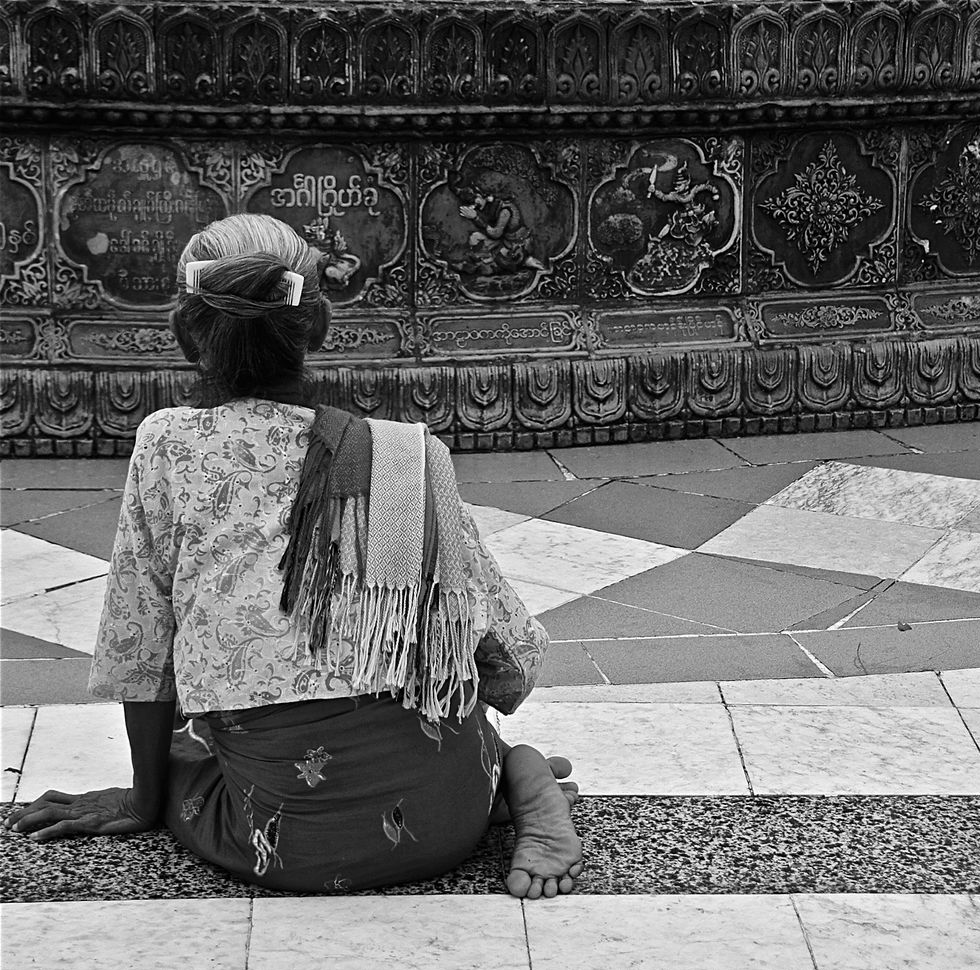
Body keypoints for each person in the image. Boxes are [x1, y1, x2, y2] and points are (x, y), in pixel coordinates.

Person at [4, 213, 583, 900]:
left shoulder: (168, 444)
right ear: (317, 326)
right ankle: (508, 772)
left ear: (187, 333)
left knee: (192, 751)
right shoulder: (403, 454)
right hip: (445, 823)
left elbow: (143, 651)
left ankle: (482, 773)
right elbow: (509, 660)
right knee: (447, 712)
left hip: (284, 842)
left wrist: (144, 796)